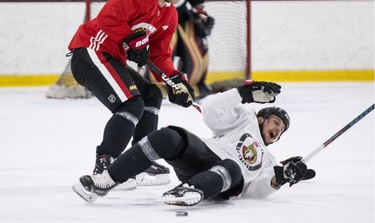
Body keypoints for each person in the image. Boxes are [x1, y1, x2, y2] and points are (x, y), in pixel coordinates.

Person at [72, 80, 316, 206]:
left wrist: (279, 178)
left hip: (225, 180)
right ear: (261, 118)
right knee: (168, 135)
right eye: (274, 122)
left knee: (232, 167)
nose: (276, 129)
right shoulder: (244, 118)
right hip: (204, 154)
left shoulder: (270, 161)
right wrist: (243, 94)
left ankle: (190, 190)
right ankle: (107, 180)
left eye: (281, 129)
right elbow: (211, 111)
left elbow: (255, 192)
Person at [67, 0, 195, 189]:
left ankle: (139, 161)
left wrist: (175, 80)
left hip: (111, 59)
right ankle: (106, 164)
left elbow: (159, 56)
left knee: (152, 96)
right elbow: (108, 19)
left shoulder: (169, 15)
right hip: (91, 51)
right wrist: (130, 38)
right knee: (131, 104)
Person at [142, 0, 215, 99]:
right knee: (160, 49)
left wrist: (200, 11)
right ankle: (156, 85)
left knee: (194, 49)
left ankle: (194, 84)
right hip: (160, 18)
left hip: (183, 17)